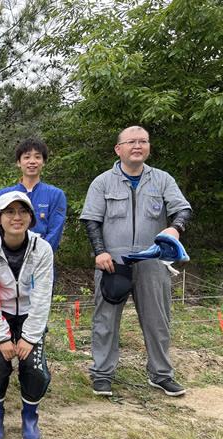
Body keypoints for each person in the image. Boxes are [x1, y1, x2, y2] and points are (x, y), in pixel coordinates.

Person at [80, 126, 191, 397]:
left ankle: (161, 374)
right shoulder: (103, 182)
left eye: (143, 141)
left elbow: (182, 208)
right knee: (105, 320)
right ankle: (103, 374)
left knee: (158, 320)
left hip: (153, 261)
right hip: (113, 262)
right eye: (131, 142)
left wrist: (175, 227)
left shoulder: (163, 179)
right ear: (119, 149)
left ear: (149, 147)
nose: (137, 146)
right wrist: (100, 252)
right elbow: (92, 220)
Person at [0, 191, 53, 439]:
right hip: (2, 315)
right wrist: (2, 336)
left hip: (31, 315)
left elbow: (43, 296)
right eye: (9, 212)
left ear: (31, 218)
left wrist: (30, 337)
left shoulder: (42, 249)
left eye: (23, 212)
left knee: (33, 368)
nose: (16, 217)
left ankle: (30, 417)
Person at [0, 138, 66, 252]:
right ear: (18, 162)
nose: (32, 161)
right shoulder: (4, 195)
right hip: (7, 259)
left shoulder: (55, 195)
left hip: (41, 260)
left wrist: (39, 254)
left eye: (37, 157)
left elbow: (55, 233)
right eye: (26, 157)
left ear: (43, 162)